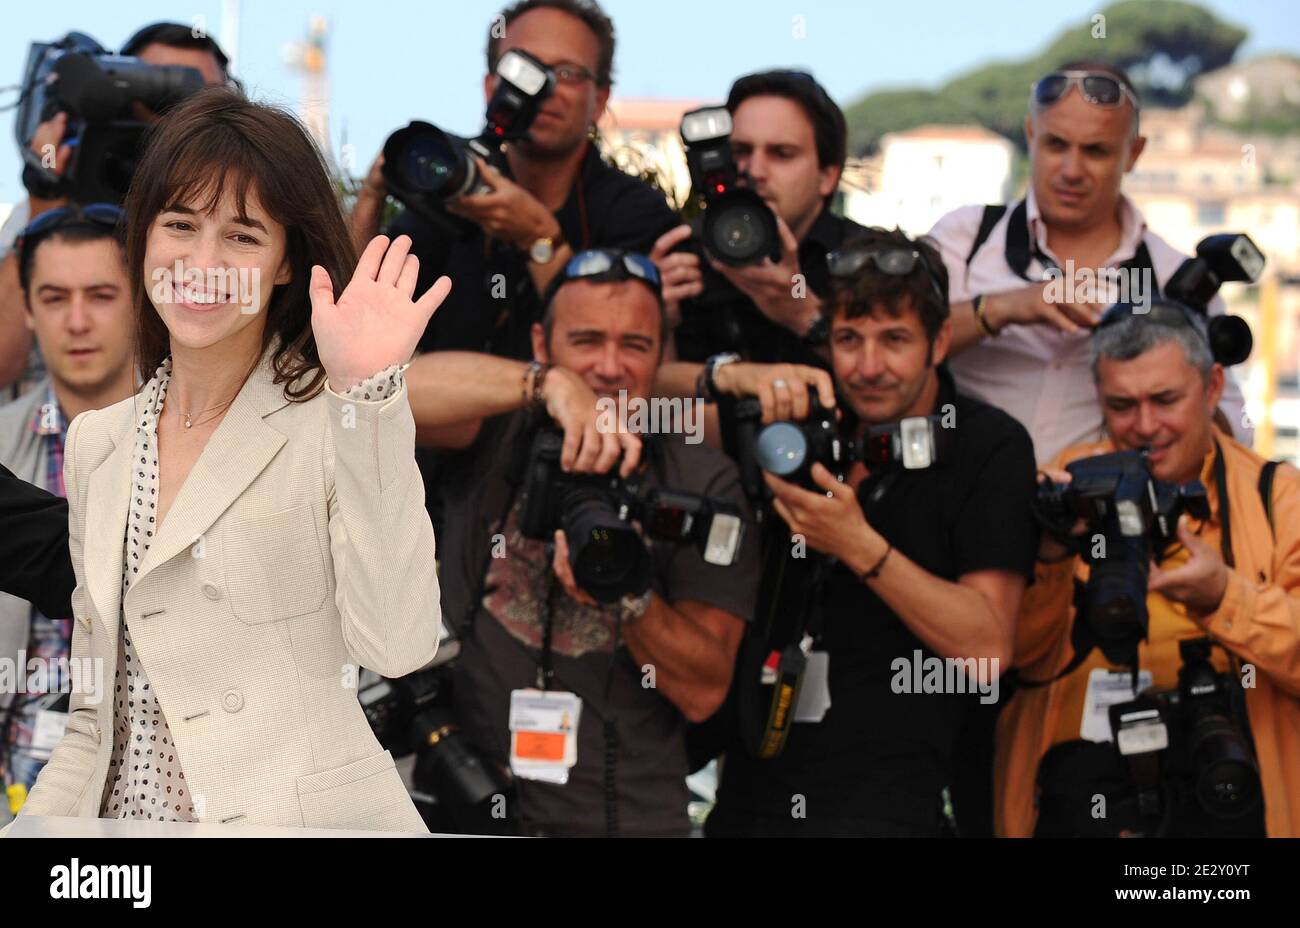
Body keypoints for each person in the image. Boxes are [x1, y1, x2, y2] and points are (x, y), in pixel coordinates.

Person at [11, 87, 445, 833]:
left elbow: (399, 644)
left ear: (285, 262)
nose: (203, 262)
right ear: (143, 239)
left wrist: (369, 399)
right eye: (180, 225)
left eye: (243, 236)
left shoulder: (336, 421)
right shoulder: (99, 443)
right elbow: (97, 716)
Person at [405, 248, 759, 836]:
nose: (610, 366)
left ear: (661, 355)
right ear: (542, 343)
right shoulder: (495, 429)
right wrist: (551, 388)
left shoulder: (700, 479)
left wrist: (629, 597)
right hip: (469, 802)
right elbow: (385, 390)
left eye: (636, 346)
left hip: (628, 817)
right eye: (587, 342)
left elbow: (704, 690)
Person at [704, 228, 1039, 836]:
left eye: (895, 340)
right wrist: (729, 379)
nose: (869, 367)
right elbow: (633, 404)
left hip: (893, 808)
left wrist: (858, 544)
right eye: (849, 340)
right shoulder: (804, 422)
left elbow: (988, 648)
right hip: (753, 796)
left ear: (940, 341)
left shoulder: (986, 446)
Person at [996, 301, 1300, 838]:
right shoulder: (1061, 490)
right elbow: (1012, 657)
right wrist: (1048, 556)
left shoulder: (1277, 497)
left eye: (1165, 400)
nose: (1144, 427)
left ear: (1211, 388)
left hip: (1228, 801)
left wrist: (1224, 598)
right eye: (1121, 405)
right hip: (1079, 798)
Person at [927, 61, 1250, 466]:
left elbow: (1233, 437)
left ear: (1134, 153)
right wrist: (1005, 307)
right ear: (1031, 135)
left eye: (1095, 151)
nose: (1071, 170)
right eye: (1056, 145)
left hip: (1093, 523)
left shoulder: (1176, 281)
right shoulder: (966, 236)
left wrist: (1175, 374)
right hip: (954, 511)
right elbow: (895, 346)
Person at [351, 0, 676, 362]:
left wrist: (539, 237)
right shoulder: (454, 189)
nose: (544, 88)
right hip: (445, 415)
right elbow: (352, 326)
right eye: (524, 69)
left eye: (567, 72)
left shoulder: (636, 213)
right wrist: (372, 196)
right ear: (491, 88)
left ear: (599, 100)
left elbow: (612, 367)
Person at [0, 22, 234, 398]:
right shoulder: (53, 202)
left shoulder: (244, 220)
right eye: (160, 90)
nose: (181, 118)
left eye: (203, 98)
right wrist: (45, 205)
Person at [0, 203, 136, 820]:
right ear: (26, 308)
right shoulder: (1, 443)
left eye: (102, 295)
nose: (78, 321)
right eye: (54, 298)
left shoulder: (206, 441)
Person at [656, 68, 867, 369]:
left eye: (782, 153)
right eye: (739, 151)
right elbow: (655, 408)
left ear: (827, 176)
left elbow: (897, 388)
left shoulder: (866, 262)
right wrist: (655, 321)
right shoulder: (685, 254)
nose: (754, 170)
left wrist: (805, 315)